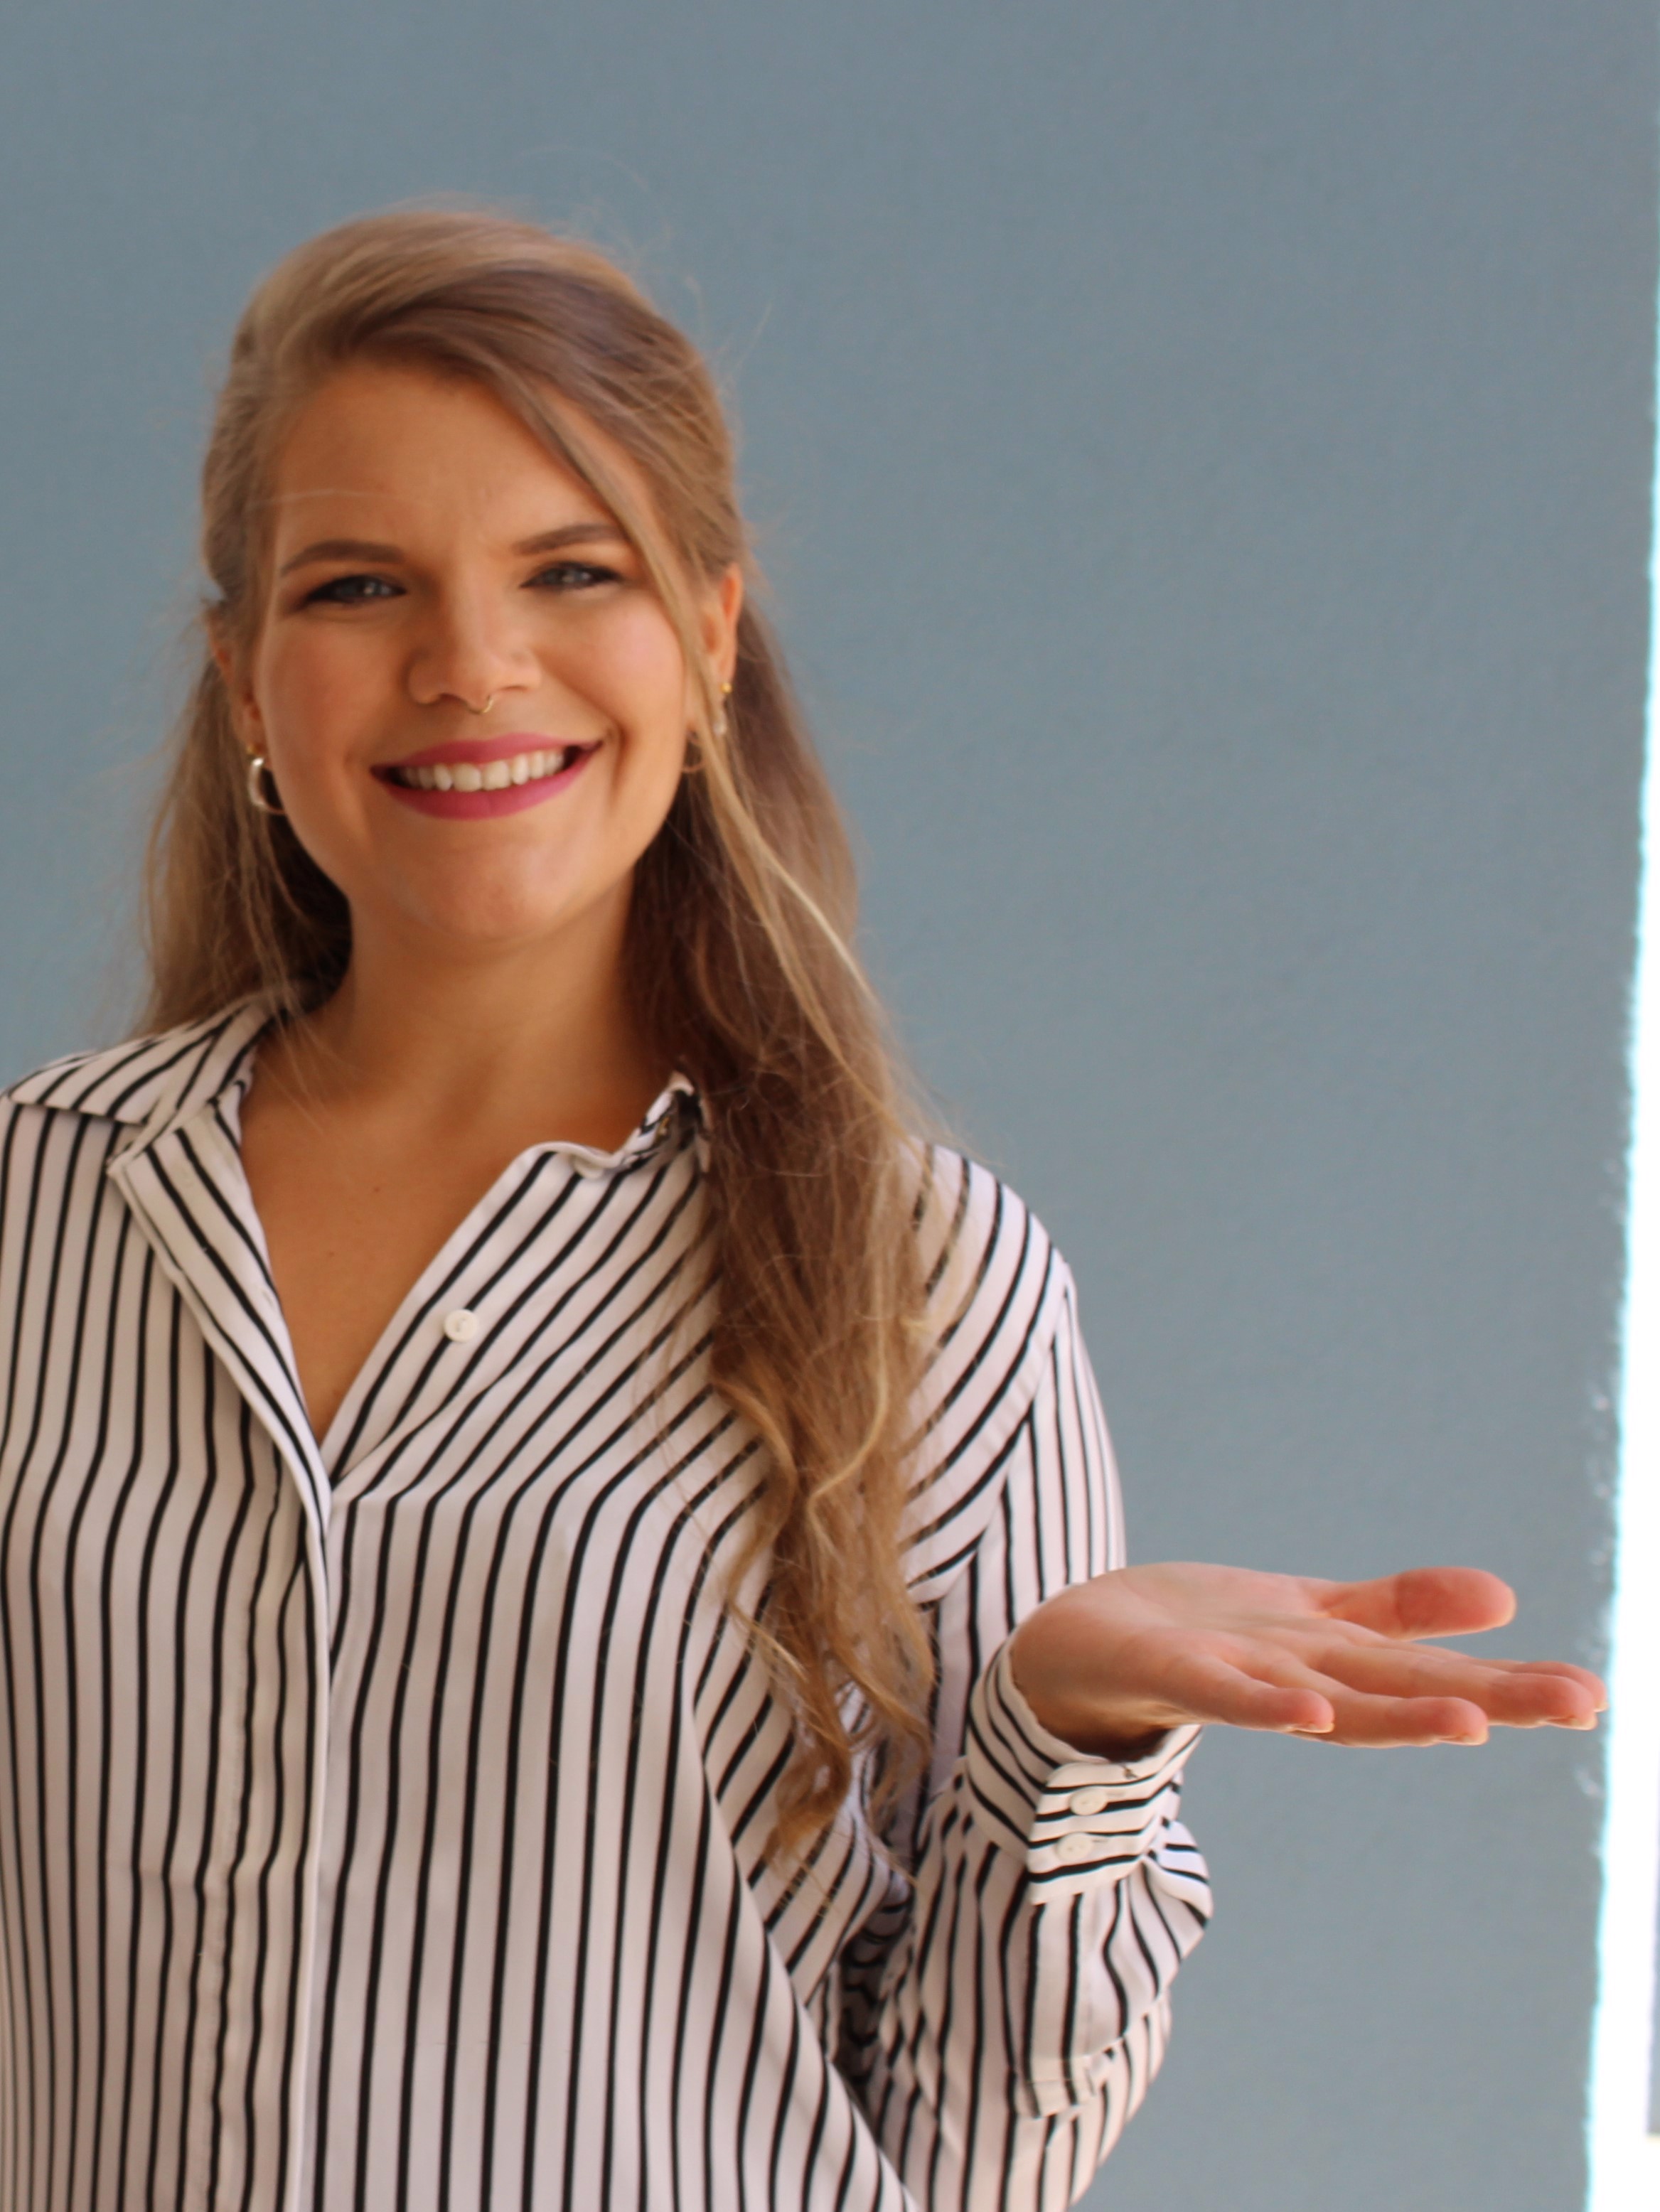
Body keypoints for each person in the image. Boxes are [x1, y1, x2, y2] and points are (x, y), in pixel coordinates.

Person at [0, 210, 1603, 2212]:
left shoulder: (927, 1284)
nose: (470, 662)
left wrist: (1061, 1742)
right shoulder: (34, 1211)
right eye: (360, 585)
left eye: (572, 570)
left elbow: (975, 2155)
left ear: (711, 634)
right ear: (246, 678)